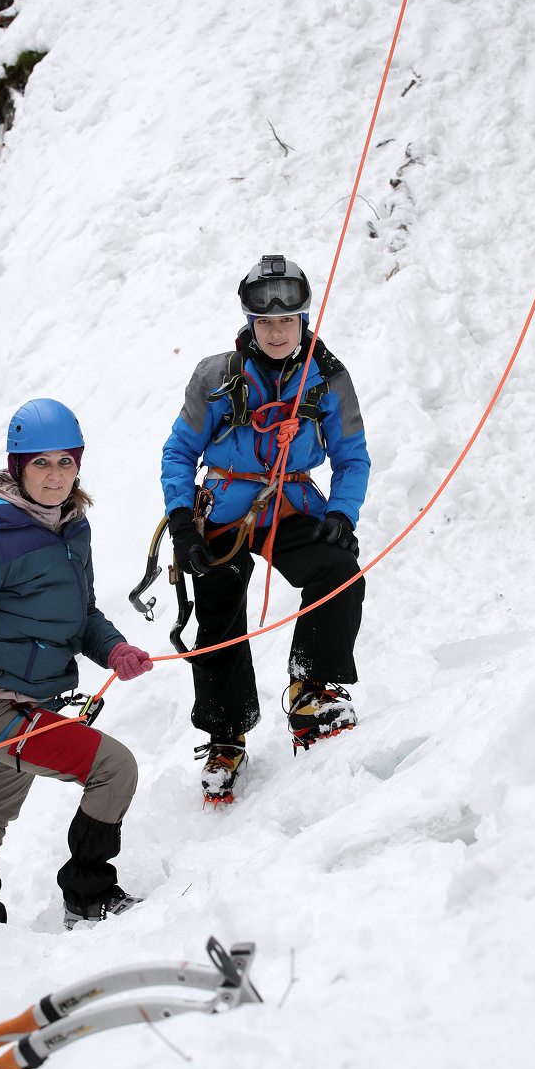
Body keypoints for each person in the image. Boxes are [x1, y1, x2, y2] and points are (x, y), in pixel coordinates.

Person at [0, 398, 153, 928]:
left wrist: (114, 649)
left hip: (31, 701)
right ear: (17, 467)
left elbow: (81, 614)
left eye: (65, 461)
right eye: (40, 462)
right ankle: (88, 895)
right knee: (114, 768)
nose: (55, 475)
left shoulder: (71, 529)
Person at [161, 255, 370, 803]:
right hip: (224, 509)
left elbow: (353, 457)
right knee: (219, 610)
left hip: (290, 504)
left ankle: (312, 687)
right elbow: (180, 451)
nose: (277, 333)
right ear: (250, 323)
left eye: (288, 321)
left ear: (303, 319)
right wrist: (182, 521)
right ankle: (225, 737)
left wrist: (342, 515)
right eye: (266, 323)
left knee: (338, 571)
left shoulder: (327, 378)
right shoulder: (215, 376)